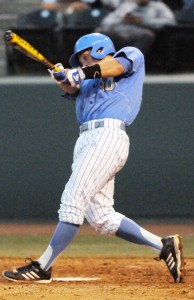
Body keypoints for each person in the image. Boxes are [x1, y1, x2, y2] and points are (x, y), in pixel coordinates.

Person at [2, 33, 185, 284]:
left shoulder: (130, 54)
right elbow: (73, 87)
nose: (83, 63)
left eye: (86, 57)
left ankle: (43, 266)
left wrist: (79, 73)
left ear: (100, 49)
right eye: (80, 60)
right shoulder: (86, 79)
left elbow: (115, 67)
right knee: (102, 217)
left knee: (72, 200)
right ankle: (163, 246)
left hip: (108, 136)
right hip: (87, 139)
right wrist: (63, 77)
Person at [95, 0, 176, 55]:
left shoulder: (158, 6)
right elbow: (105, 22)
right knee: (99, 32)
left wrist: (144, 22)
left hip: (140, 33)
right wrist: (121, 20)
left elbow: (171, 21)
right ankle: (96, 63)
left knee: (147, 36)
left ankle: (129, 62)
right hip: (119, 33)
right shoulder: (127, 5)